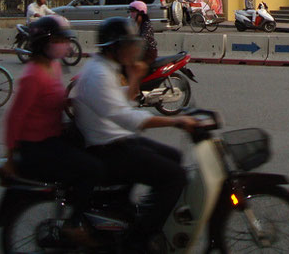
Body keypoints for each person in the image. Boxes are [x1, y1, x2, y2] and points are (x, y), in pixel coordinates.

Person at [73, 18, 198, 245]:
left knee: (175, 157)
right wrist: (176, 121)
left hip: (119, 140)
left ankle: (148, 213)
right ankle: (140, 239)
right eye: (128, 45)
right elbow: (129, 118)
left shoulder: (106, 68)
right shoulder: (98, 75)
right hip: (108, 149)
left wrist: (133, 77)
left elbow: (124, 101)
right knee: (175, 176)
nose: (133, 49)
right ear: (114, 47)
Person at [2, 15, 105, 241]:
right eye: (59, 39)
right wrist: (10, 157)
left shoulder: (54, 67)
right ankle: (73, 223)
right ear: (44, 43)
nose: (64, 44)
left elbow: (55, 101)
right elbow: (14, 118)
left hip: (55, 136)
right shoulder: (33, 76)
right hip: (38, 146)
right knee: (93, 168)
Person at [128, 0, 157, 65]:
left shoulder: (147, 25)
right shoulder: (135, 24)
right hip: (139, 52)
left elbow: (143, 39)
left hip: (148, 53)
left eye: (133, 11)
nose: (131, 14)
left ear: (141, 13)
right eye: (130, 12)